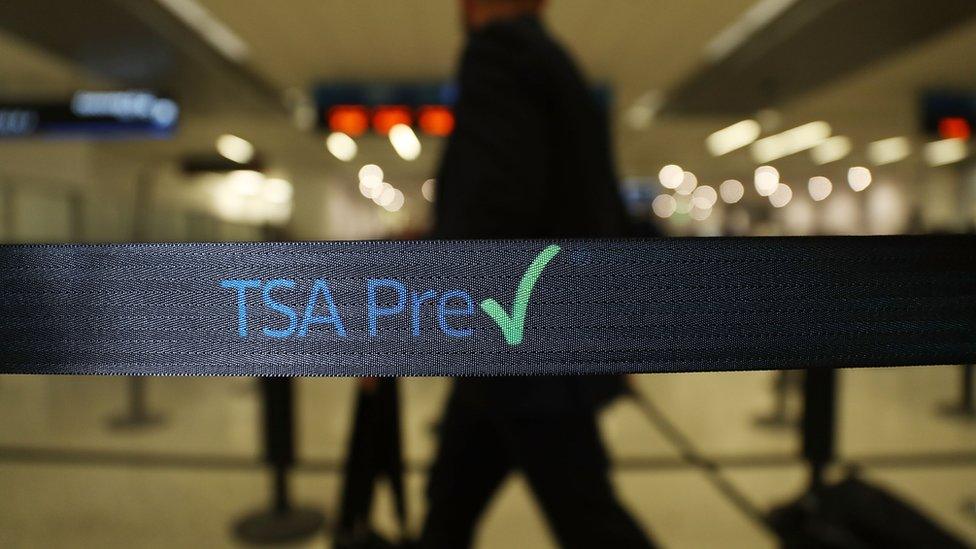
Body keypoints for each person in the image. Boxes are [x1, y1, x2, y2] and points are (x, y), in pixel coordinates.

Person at [420, 1, 656, 547]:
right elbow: (603, 214)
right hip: (530, 357)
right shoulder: (560, 68)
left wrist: (405, 323)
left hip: (521, 354)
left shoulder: (499, 53)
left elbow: (488, 211)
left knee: (588, 521)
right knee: (448, 506)